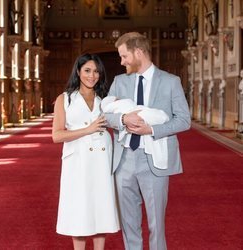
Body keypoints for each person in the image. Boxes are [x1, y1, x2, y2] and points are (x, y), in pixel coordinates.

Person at [104, 32, 191, 250]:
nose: (122, 61)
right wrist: (123, 118)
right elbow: (105, 115)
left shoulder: (171, 82)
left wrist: (151, 129)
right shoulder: (119, 81)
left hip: (154, 159)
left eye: (124, 56)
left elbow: (184, 120)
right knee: (129, 223)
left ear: (139, 52)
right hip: (123, 160)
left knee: (156, 224)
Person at [52, 53, 120, 250]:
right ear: (78, 72)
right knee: (80, 211)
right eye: (87, 70)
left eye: (96, 71)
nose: (92, 76)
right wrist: (87, 130)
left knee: (101, 209)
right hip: (78, 162)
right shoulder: (65, 99)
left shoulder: (105, 99)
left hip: (102, 160)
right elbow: (56, 135)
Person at [101, 95, 169, 169]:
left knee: (151, 115)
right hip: (124, 155)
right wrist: (123, 118)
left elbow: (182, 119)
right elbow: (104, 117)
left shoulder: (170, 84)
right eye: (116, 100)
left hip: (150, 156)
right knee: (149, 116)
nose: (119, 99)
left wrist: (151, 130)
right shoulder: (117, 86)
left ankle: (161, 116)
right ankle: (161, 117)